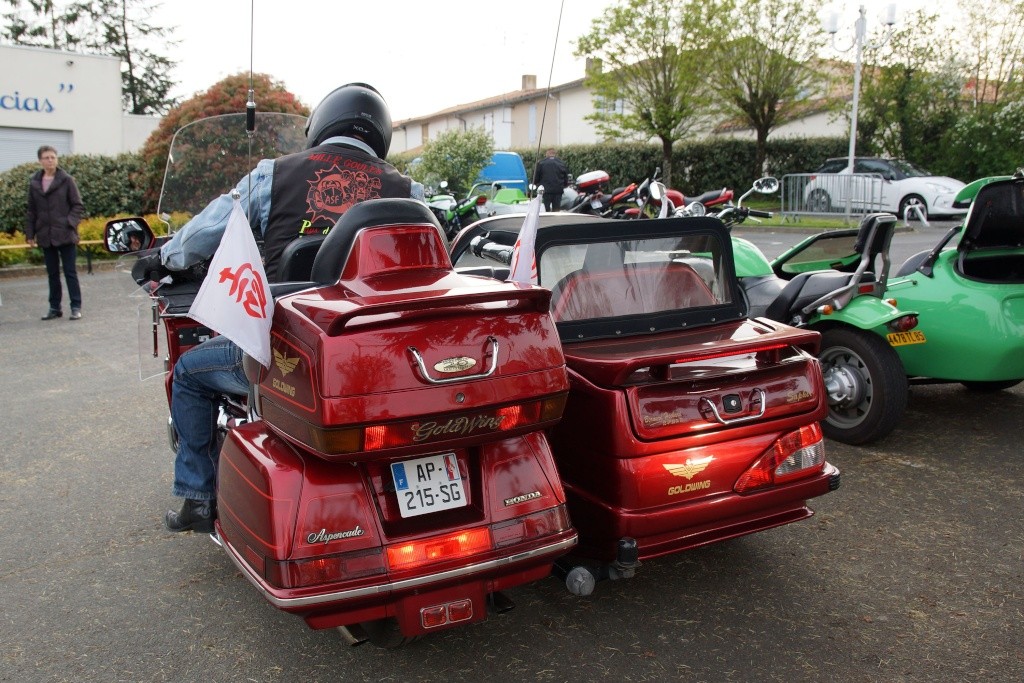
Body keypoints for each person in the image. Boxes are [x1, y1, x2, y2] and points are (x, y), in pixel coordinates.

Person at [149, 83, 424, 533]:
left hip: (288, 359)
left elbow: (206, 231)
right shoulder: (406, 190)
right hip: (382, 357)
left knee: (188, 375)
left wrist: (163, 258)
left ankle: (196, 497)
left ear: (321, 125)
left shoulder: (272, 175)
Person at [26, 145, 84, 320]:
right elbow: (31, 210)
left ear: (56, 159)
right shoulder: (35, 182)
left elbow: (77, 206)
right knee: (52, 274)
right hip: (46, 235)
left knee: (70, 272)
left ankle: (75, 306)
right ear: (40, 161)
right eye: (46, 157)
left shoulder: (66, 180)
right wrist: (30, 233)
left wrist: (69, 223)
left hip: (65, 235)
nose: (50, 160)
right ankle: (54, 307)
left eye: (53, 157)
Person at [532, 148, 570, 212]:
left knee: (546, 209)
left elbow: (536, 177)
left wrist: (536, 184)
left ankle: (547, 221)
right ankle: (556, 221)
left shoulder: (541, 163)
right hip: (558, 191)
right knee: (556, 209)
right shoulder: (561, 163)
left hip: (546, 191)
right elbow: (565, 177)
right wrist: (565, 185)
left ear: (547, 154)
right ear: (554, 154)